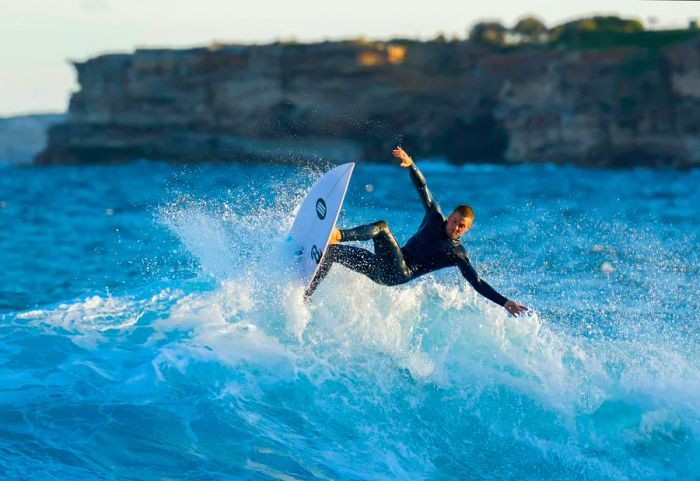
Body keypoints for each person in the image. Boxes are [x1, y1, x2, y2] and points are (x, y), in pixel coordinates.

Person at [305, 147, 528, 316]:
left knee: (382, 228)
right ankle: (306, 295)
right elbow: (423, 188)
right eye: (455, 221)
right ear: (450, 216)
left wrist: (504, 302)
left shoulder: (458, 253)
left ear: (466, 230)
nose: (456, 227)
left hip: (398, 274)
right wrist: (411, 164)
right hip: (380, 267)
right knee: (331, 253)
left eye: (462, 227)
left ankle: (339, 233)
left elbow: (476, 282)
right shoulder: (434, 216)